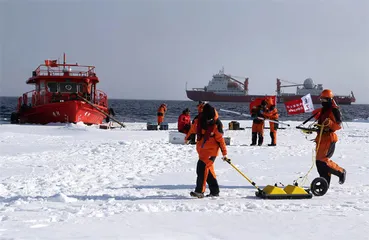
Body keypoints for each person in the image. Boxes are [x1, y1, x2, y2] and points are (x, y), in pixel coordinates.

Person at [190, 103, 227, 198]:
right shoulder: (199, 120)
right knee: (209, 172)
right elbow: (193, 129)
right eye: (208, 119)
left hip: (211, 152)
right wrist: (187, 137)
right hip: (202, 151)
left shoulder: (217, 124)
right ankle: (215, 191)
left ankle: (199, 191)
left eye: (211, 119)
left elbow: (221, 140)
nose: (209, 120)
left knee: (201, 169)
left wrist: (224, 153)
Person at [312, 89, 346, 186]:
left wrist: (329, 123)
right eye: (321, 100)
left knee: (322, 160)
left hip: (329, 138)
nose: (322, 102)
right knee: (319, 162)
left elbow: (338, 126)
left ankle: (340, 171)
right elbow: (321, 124)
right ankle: (325, 182)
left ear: (329, 99)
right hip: (321, 138)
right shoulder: (323, 110)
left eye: (325, 100)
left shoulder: (334, 110)